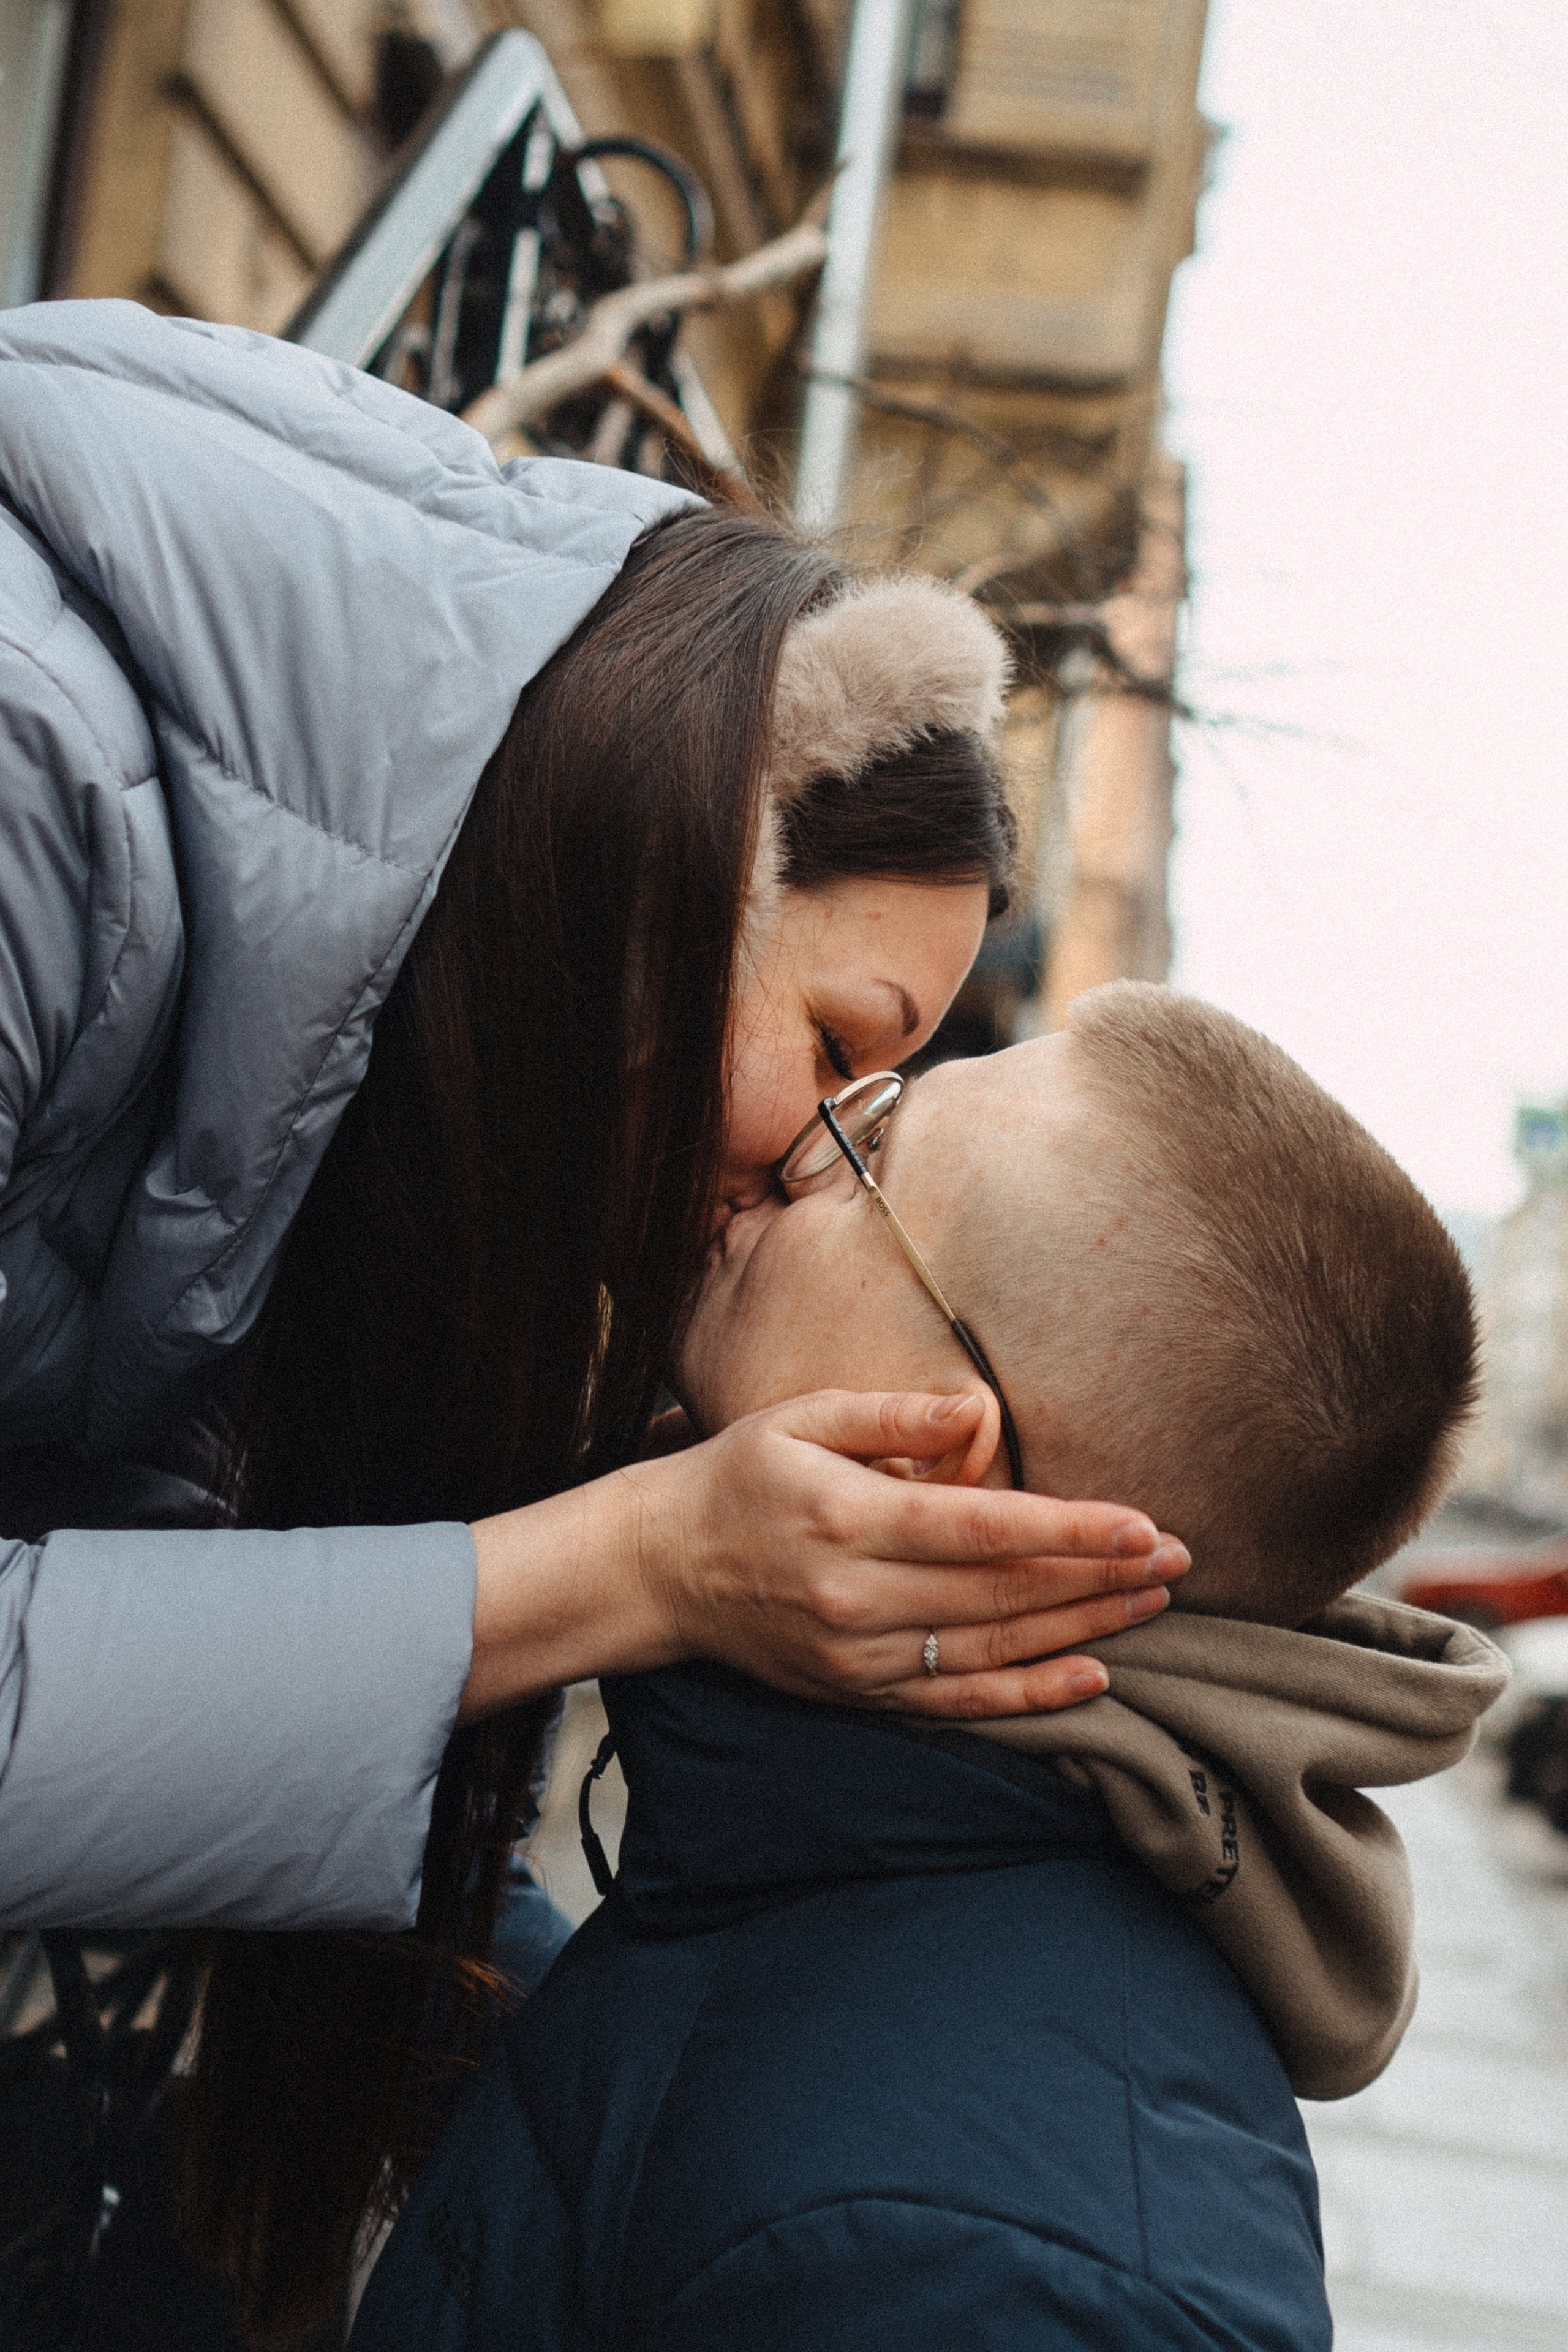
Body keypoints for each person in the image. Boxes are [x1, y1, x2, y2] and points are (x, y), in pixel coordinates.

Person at [0, 301, 1187, 2331]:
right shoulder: (38, 789)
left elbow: (175, 1580)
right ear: (679, 845)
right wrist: (638, 1564)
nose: (810, 1165)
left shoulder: (354, 1069)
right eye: (840, 1051)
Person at [349, 984, 1506, 2352]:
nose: (784, 1150)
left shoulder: (1006, 2276)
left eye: (866, 1151)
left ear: (942, 1458)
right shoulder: (845, 1851)